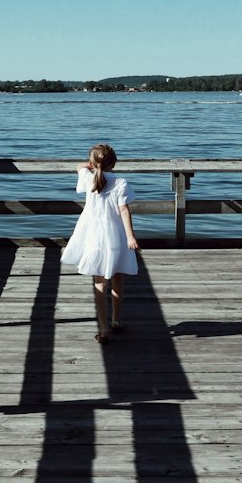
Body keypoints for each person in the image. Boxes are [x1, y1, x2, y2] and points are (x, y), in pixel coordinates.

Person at [61, 143, 140, 342]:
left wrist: (90, 165)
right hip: (116, 235)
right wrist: (130, 236)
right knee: (117, 276)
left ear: (92, 162)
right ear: (114, 163)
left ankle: (103, 328)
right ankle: (116, 320)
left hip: (94, 235)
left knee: (99, 281)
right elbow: (124, 211)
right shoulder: (121, 182)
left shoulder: (89, 178)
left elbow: (80, 166)